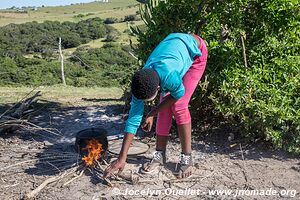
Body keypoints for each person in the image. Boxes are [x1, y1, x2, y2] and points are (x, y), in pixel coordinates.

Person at [104, 32, 208, 179]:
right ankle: (159, 155)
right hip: (174, 46)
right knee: (164, 109)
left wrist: (152, 113)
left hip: (196, 52)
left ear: (158, 88)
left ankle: (187, 158)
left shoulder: (169, 76)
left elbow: (177, 94)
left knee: (179, 106)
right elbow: (133, 119)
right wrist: (122, 159)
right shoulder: (141, 80)